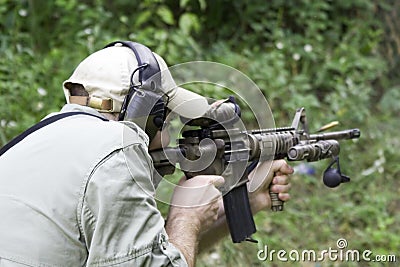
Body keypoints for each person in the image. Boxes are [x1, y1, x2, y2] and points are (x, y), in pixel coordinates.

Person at [0, 41, 293, 267]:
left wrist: (248, 204)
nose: (167, 138)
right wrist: (185, 216)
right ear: (144, 113)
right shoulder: (118, 149)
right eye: (165, 120)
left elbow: (152, 257)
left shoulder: (29, 142)